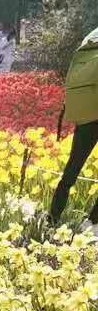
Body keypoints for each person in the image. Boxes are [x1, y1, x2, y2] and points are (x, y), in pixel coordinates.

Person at [50, 29, 98, 227]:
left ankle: (52, 218)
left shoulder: (92, 37)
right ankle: (94, 221)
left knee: (72, 168)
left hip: (87, 113)